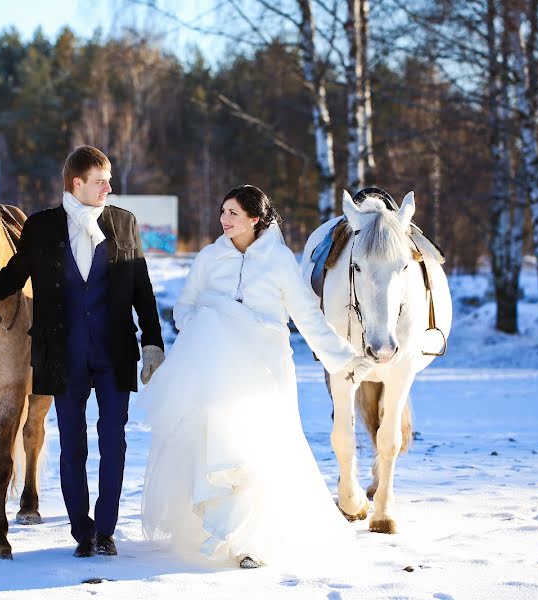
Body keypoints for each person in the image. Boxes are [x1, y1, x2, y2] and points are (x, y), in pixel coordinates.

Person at [141, 185, 372, 569]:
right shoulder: (209, 257)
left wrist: (342, 359)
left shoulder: (279, 260)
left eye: (233, 213)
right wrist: (204, 322)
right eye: (222, 211)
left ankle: (253, 542)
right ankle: (217, 533)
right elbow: (184, 308)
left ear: (255, 219)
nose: (224, 220)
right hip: (215, 372)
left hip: (264, 370)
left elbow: (307, 316)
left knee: (258, 449)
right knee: (219, 450)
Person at [0, 145, 165, 558]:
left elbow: (141, 287)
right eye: (100, 180)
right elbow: (16, 275)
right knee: (73, 445)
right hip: (61, 356)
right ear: (77, 183)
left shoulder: (124, 224)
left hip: (114, 354)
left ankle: (105, 530)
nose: (109, 186)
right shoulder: (41, 227)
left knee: (114, 441)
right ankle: (81, 531)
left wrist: (152, 341)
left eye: (108, 179)